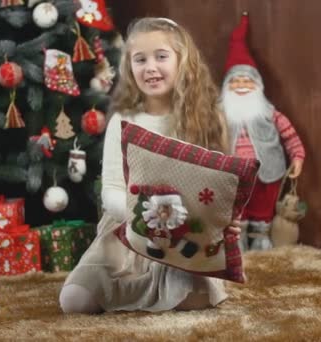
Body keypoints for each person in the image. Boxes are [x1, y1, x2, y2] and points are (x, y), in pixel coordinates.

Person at [59, 17, 240, 314]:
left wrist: (222, 216)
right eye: (140, 59)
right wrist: (144, 215)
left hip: (186, 234)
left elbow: (222, 186)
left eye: (161, 56)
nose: (150, 68)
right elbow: (112, 190)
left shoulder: (208, 118)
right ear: (129, 67)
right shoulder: (124, 120)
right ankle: (137, 287)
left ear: (183, 62)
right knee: (74, 301)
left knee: (193, 297)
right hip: (128, 229)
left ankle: (167, 287)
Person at [221, 13, 305, 251]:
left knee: (261, 208)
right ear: (226, 86)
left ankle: (260, 240)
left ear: (257, 86)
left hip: (267, 172)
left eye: (247, 81)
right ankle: (236, 240)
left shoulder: (270, 113)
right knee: (237, 209)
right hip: (232, 175)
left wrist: (297, 157)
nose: (241, 86)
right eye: (235, 82)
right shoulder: (218, 114)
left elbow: (290, 137)